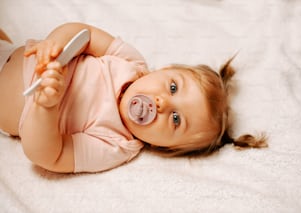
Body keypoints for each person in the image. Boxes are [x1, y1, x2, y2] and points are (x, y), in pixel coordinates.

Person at [0, 22, 267, 173]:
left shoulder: (117, 145)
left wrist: (46, 106)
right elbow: (85, 35)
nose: (163, 103)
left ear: (162, 147)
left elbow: (47, 156)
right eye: (173, 87)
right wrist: (53, 46)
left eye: (176, 119)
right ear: (163, 70)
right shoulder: (131, 61)